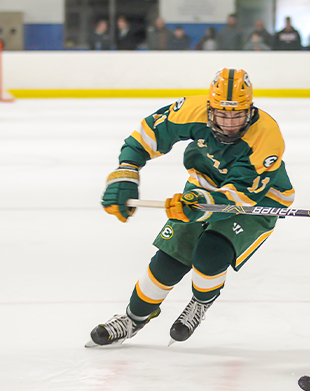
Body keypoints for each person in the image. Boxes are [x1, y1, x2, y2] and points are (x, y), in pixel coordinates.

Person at [86, 68, 295, 347]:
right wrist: (127, 169)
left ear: (250, 110)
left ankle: (201, 302)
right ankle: (133, 319)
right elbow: (150, 132)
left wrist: (199, 206)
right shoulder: (193, 110)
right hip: (204, 186)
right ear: (210, 110)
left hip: (260, 199)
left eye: (237, 116)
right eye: (222, 115)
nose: (230, 124)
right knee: (169, 260)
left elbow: (240, 194)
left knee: (210, 253)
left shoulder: (266, 136)